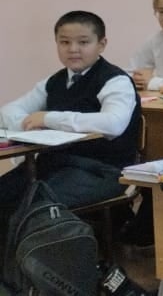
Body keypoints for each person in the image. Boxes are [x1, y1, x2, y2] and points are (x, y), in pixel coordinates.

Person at [0, 11, 143, 217]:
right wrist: (25, 123)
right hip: (53, 165)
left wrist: (48, 119)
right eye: (64, 42)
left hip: (101, 170)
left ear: (101, 44)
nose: (73, 49)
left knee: (37, 206)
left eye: (83, 42)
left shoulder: (115, 81)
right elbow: (9, 110)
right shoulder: (54, 81)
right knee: (5, 195)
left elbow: (113, 124)